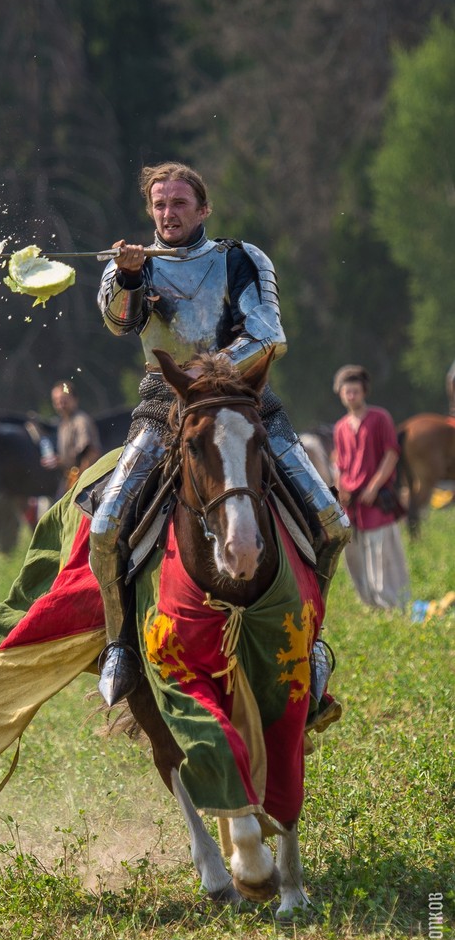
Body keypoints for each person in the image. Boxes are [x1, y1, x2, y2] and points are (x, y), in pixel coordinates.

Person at [90, 160, 350, 708]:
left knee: (332, 521)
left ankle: (312, 642)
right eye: (159, 205)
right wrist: (131, 277)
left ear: (203, 208)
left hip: (245, 401)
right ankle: (121, 646)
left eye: (179, 203)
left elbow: (267, 334)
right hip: (165, 403)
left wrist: (210, 376)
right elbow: (117, 323)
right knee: (108, 526)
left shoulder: (241, 259)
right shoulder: (129, 264)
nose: (169, 213)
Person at [332, 364, 409, 610]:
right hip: (352, 504)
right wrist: (339, 489)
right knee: (354, 556)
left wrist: (374, 487)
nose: (351, 396)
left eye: (355, 391)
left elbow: (391, 454)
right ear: (341, 394)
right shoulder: (340, 427)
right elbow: (341, 466)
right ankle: (370, 605)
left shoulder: (380, 417)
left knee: (383, 553)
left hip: (376, 500)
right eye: (347, 391)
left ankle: (393, 605)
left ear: (364, 392)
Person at [41, 380, 102, 499]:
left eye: (64, 399)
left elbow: (92, 453)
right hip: (69, 480)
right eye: (57, 401)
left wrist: (81, 483)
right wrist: (58, 461)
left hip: (84, 483)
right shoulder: (62, 424)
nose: (61, 404)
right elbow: (69, 460)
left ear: (74, 399)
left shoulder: (81, 421)